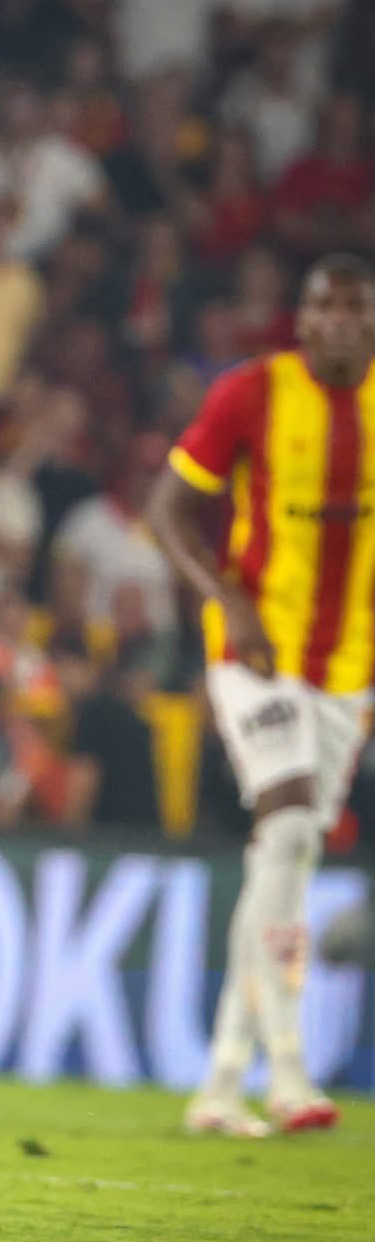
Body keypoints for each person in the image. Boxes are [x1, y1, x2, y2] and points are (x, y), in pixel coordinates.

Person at [147, 254, 375, 1139]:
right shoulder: (253, 393)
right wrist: (228, 601)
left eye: (356, 308)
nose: (340, 322)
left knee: (287, 857)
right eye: (326, 307)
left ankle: (218, 1082)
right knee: (287, 829)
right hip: (257, 653)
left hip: (349, 671)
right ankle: (287, 1072)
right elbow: (167, 510)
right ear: (303, 319)